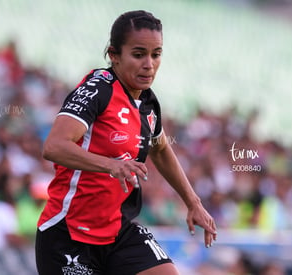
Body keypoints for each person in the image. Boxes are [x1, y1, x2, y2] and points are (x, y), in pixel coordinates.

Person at [35, 10, 217, 275]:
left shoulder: (148, 103)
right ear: (114, 55)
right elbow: (53, 146)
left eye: (156, 54)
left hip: (118, 231)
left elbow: (161, 148)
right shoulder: (98, 89)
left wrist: (193, 202)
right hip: (68, 234)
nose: (149, 64)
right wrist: (110, 165)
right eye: (139, 54)